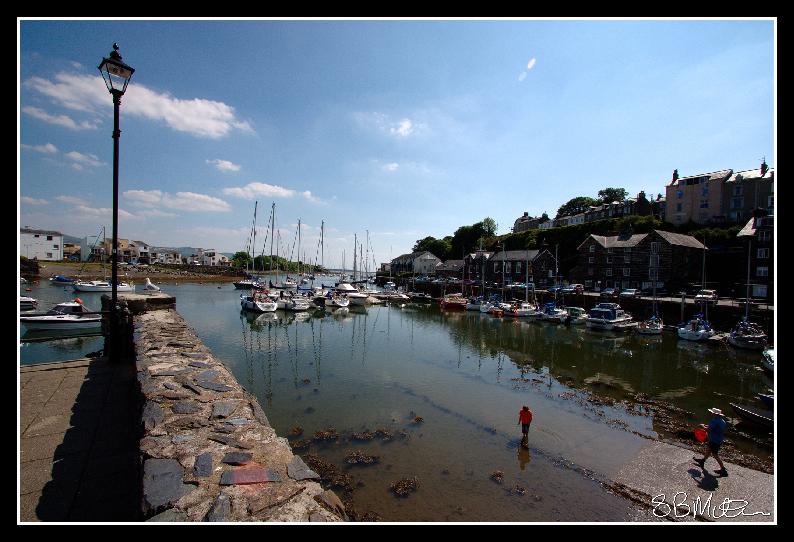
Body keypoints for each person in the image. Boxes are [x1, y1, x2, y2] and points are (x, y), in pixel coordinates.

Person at [694, 407, 728, 476]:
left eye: (712, 413)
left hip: (714, 440)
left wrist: (702, 426)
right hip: (718, 439)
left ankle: (723, 470)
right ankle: (702, 461)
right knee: (708, 450)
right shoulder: (722, 421)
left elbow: (708, 430)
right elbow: (713, 428)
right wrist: (706, 426)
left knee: (715, 454)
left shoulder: (714, 421)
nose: (711, 414)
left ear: (714, 414)